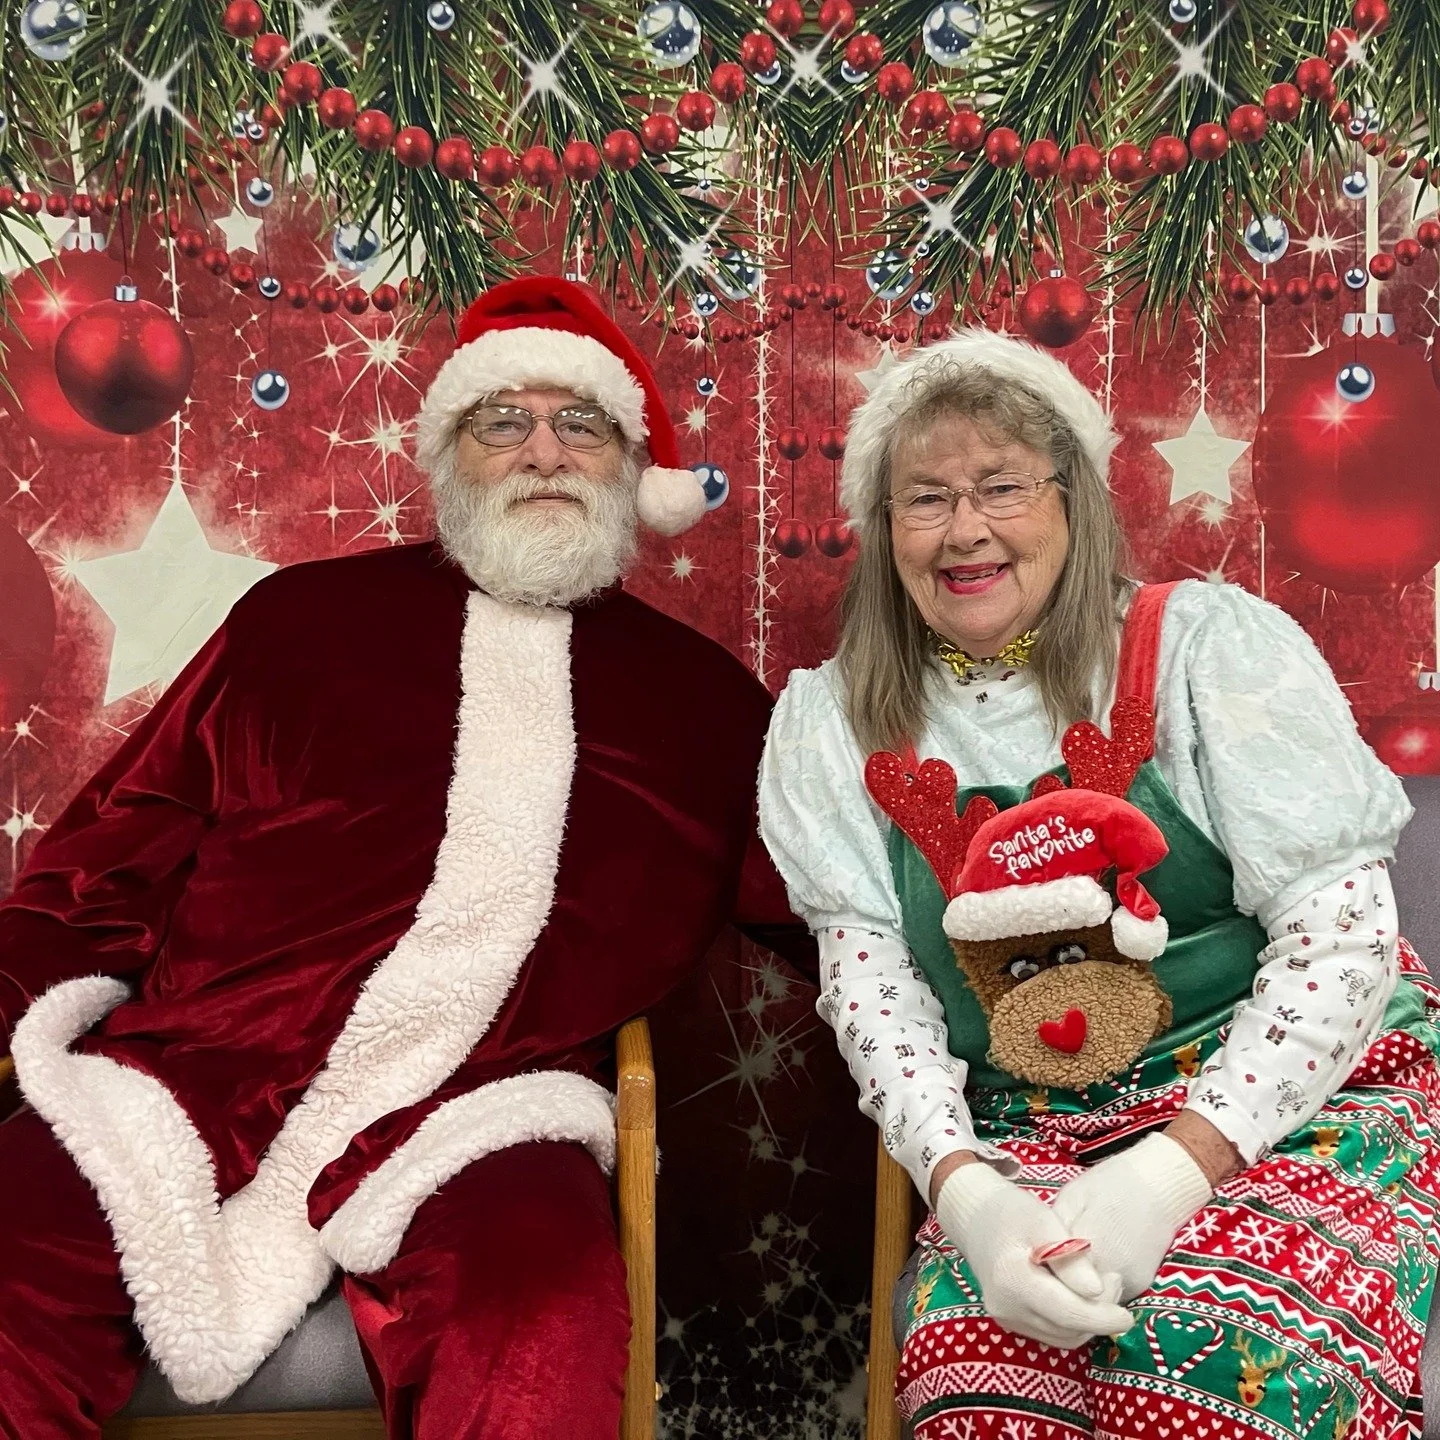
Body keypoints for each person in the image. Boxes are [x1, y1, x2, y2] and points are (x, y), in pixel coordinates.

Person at [0, 275, 808, 1440]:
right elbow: (99, 871)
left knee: (539, 1320)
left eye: (580, 422)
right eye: (502, 420)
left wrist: (993, 987)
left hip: (480, 1121)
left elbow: (830, 905)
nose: (543, 450)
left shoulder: (709, 708)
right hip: (193, 1077)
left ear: (632, 467)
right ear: (448, 456)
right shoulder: (295, 623)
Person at [758, 328, 1440, 1439]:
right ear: (884, 534)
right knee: (973, 1372)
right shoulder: (829, 726)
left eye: (1001, 487)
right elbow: (877, 1000)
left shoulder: (1202, 649)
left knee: (1206, 1362)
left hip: (1301, 1105)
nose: (965, 530)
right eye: (924, 500)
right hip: (1031, 1125)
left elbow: (1345, 941)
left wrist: (1173, 1176)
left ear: (1074, 500)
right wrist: (969, 1196)